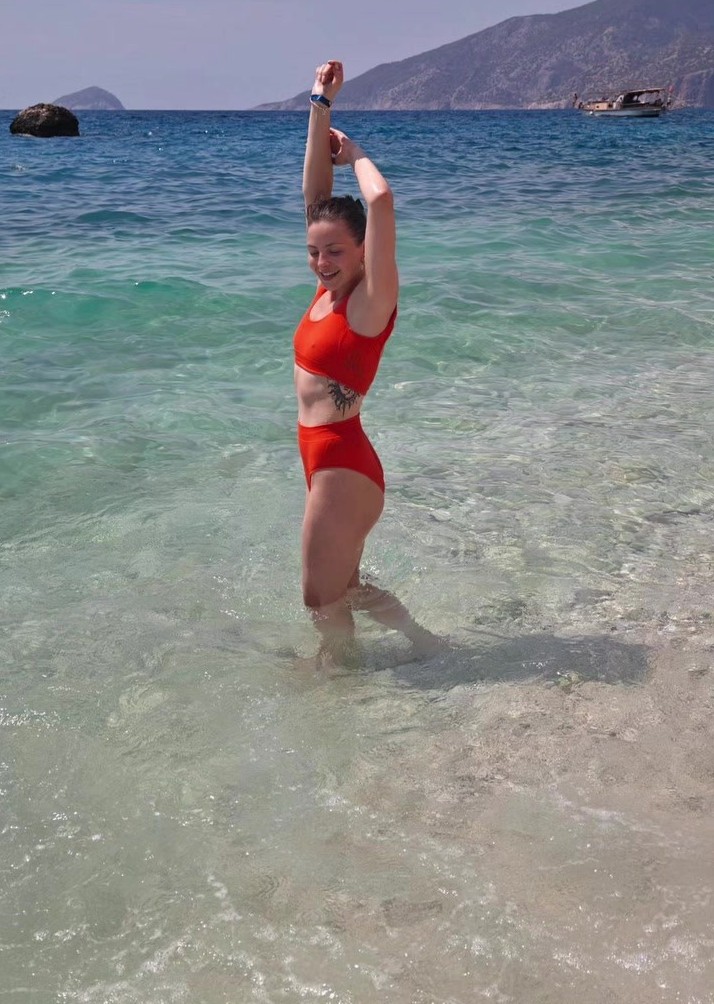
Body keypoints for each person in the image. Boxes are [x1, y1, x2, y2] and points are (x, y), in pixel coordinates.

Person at [294, 60, 415, 663]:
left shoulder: (371, 300)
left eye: (336, 251)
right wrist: (321, 105)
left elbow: (381, 200)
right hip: (325, 458)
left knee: (320, 597)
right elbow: (318, 199)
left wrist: (357, 152)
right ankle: (423, 644)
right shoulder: (329, 289)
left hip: (343, 462)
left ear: (364, 250)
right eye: (314, 252)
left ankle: (336, 677)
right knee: (343, 588)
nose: (322, 262)